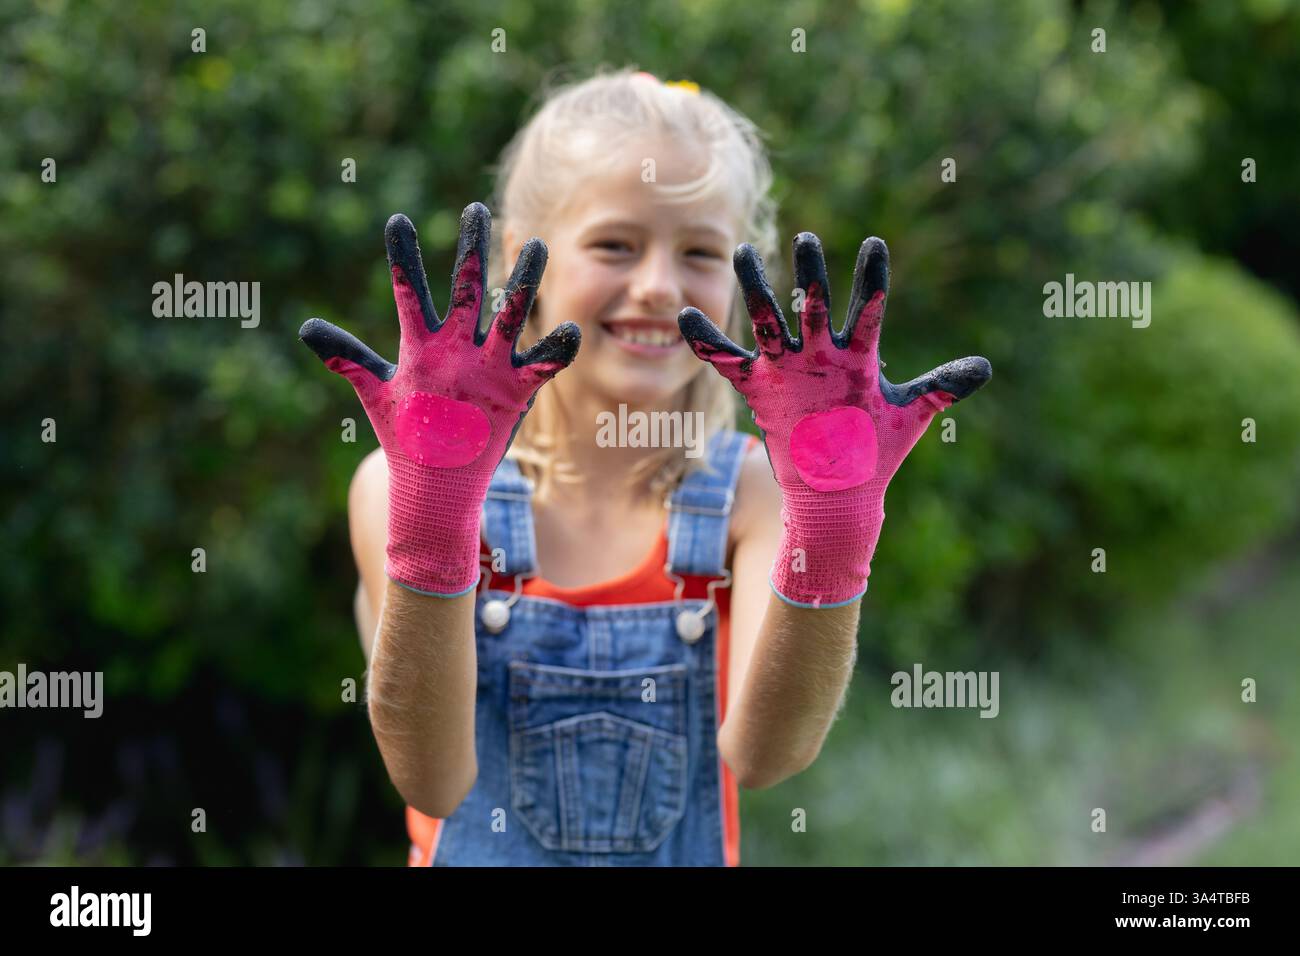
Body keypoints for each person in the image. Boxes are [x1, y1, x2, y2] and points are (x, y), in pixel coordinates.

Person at [299, 67, 991, 866]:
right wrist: (434, 518)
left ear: (744, 280)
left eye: (700, 252)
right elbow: (435, 780)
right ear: (524, 263)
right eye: (615, 245)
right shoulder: (396, 484)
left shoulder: (754, 497)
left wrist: (832, 535)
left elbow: (765, 757)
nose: (659, 286)